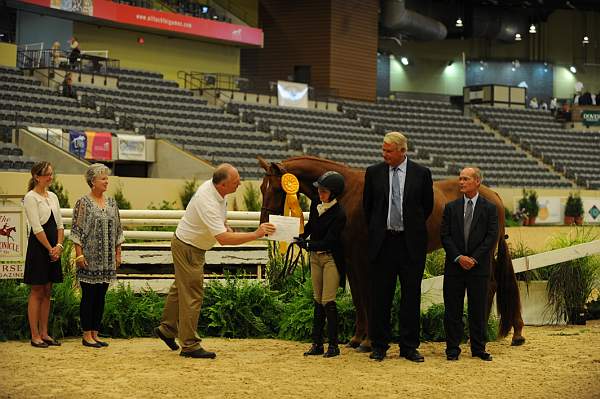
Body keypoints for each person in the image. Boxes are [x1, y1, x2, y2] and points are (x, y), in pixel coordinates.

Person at [155, 164, 276, 359]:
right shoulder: (207, 200)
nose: (240, 185)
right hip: (189, 247)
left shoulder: (217, 191)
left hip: (189, 244)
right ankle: (189, 345)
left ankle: (167, 329)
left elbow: (220, 220)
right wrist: (256, 234)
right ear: (223, 184)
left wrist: (225, 225)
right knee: (192, 294)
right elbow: (223, 239)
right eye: (236, 182)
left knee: (181, 289)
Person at [363, 131, 434, 362]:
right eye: (383, 150)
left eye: (389, 151)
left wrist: (410, 227)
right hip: (383, 244)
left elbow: (427, 207)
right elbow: (368, 208)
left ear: (403, 151)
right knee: (380, 297)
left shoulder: (421, 174)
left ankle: (409, 346)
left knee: (411, 297)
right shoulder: (373, 173)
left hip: (410, 244)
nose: (384, 154)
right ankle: (379, 346)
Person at [441, 167, 498, 362]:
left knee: (478, 309)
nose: (461, 182)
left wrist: (473, 259)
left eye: (466, 179)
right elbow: (445, 236)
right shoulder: (450, 207)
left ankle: (479, 348)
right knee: (452, 310)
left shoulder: (490, 209)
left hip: (478, 268)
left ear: (477, 182)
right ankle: (452, 349)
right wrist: (459, 257)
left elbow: (491, 237)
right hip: (454, 267)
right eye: (460, 179)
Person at [70, 163, 124, 348]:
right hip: (89, 258)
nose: (106, 182)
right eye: (103, 178)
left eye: (107, 178)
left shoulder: (112, 203)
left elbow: (118, 230)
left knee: (101, 296)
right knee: (88, 296)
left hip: (107, 260)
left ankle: (95, 333)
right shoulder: (83, 203)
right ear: (93, 181)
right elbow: (76, 230)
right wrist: (79, 255)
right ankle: (86, 335)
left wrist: (118, 253)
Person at [296, 171, 347, 358]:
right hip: (315, 258)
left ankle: (333, 345)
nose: (320, 194)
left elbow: (330, 241)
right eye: (320, 190)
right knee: (317, 300)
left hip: (330, 258)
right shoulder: (317, 204)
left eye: (324, 191)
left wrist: (307, 245)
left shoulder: (339, 214)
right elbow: (311, 226)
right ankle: (317, 344)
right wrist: (299, 236)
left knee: (328, 300)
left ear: (333, 193)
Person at [23, 161, 65, 348]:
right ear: (37, 176)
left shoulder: (53, 197)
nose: (50, 177)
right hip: (39, 248)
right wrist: (50, 248)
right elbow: (36, 227)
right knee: (37, 290)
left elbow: (60, 225)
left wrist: (59, 246)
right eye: (47, 174)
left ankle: (44, 332)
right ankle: (34, 335)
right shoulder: (30, 197)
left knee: (48, 290)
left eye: (51, 173)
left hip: (54, 247)